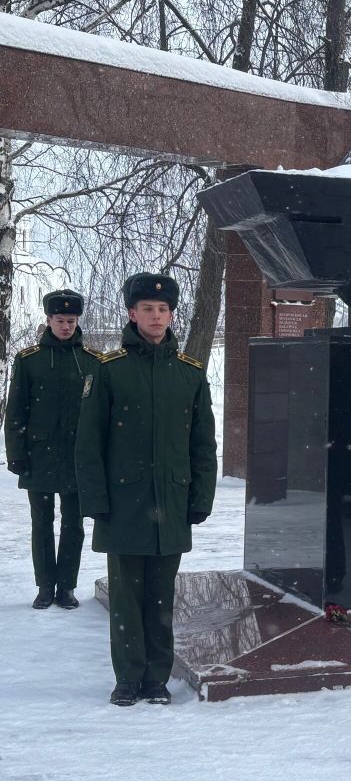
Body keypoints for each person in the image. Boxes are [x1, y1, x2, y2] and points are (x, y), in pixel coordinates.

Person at [75, 273, 217, 706]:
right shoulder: (109, 370)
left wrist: (200, 498)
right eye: (147, 309)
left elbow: (203, 445)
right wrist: (96, 501)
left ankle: (156, 679)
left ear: (171, 315)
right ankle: (127, 678)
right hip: (123, 504)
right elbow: (88, 443)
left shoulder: (190, 373)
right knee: (126, 597)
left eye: (163, 309)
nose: (156, 316)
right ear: (132, 313)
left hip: (171, 502)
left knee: (161, 598)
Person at [4, 289, 101, 610]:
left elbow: (100, 413)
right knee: (42, 523)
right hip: (39, 455)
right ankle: (45, 586)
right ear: (48, 320)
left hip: (77, 457)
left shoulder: (92, 361)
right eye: (60, 320)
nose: (66, 326)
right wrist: (16, 452)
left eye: (71, 320)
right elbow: (15, 411)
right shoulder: (29, 360)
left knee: (74, 525)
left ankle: (67, 587)